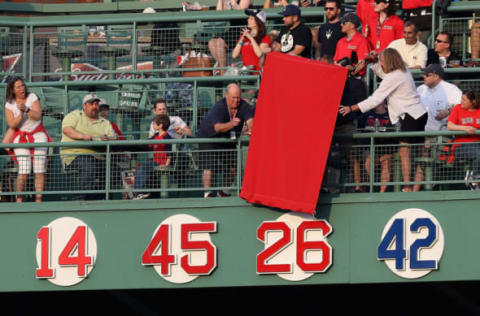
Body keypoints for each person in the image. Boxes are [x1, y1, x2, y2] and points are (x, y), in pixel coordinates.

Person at [339, 48, 428, 192]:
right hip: (417, 113)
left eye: (382, 61)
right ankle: (413, 188)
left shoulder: (395, 77)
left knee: (405, 150)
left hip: (412, 115)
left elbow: (376, 99)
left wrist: (352, 108)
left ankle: (407, 187)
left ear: (388, 61)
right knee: (418, 154)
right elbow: (384, 75)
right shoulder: (403, 71)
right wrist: (373, 62)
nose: (381, 64)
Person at [197, 83, 254, 198]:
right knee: (209, 167)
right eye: (233, 97)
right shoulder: (219, 107)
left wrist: (250, 128)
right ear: (226, 96)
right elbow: (217, 128)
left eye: (238, 97)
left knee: (233, 165)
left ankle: (224, 191)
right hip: (209, 137)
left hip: (226, 138)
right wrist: (232, 124)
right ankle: (208, 193)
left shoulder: (243, 105)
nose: (236, 100)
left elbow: (250, 120)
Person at [61, 93, 116, 200]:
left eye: (96, 104)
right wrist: (83, 136)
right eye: (91, 104)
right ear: (84, 105)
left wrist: (108, 140)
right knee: (89, 163)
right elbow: (67, 130)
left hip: (99, 157)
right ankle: (79, 199)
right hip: (74, 156)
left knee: (113, 169)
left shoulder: (105, 122)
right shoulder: (75, 115)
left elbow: (114, 138)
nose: (95, 107)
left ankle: (101, 198)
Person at [4, 76, 50, 203]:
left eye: (23, 85)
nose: (22, 88)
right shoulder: (9, 104)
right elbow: (13, 124)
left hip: (38, 134)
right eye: (18, 87)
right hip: (21, 137)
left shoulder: (32, 97)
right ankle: (19, 200)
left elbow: (37, 115)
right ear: (12, 90)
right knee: (24, 170)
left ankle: (38, 199)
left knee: (40, 170)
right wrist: (21, 113)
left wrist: (27, 109)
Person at [356, 102, 394, 193]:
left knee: (386, 162)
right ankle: (369, 188)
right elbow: (359, 131)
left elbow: (395, 136)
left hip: (387, 149)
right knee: (369, 160)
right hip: (370, 149)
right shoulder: (365, 116)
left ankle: (382, 191)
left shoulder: (391, 115)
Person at [133, 114, 172, 200]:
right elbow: (148, 143)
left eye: (154, 123)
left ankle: (142, 191)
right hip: (154, 161)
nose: (153, 125)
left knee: (144, 167)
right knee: (140, 167)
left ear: (160, 125)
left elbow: (169, 153)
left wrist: (166, 165)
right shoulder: (155, 136)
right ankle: (137, 193)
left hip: (160, 162)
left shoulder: (166, 137)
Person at [208, 0, 252, 75]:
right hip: (232, 31)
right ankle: (224, 69)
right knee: (211, 42)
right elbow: (219, 14)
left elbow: (240, 11)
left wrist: (232, 1)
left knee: (219, 41)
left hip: (244, 31)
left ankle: (222, 73)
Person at [447, 90, 480, 190]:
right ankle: (475, 178)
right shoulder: (457, 108)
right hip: (461, 146)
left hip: (477, 144)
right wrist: (465, 128)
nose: (461, 102)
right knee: (478, 154)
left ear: (473, 102)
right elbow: (450, 126)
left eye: (464, 100)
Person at [232, 9, 272, 74]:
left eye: (251, 19)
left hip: (257, 74)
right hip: (245, 73)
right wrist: (242, 38)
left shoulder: (265, 38)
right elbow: (234, 55)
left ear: (258, 22)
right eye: (248, 18)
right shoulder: (244, 37)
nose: (248, 20)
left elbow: (260, 54)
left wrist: (251, 38)